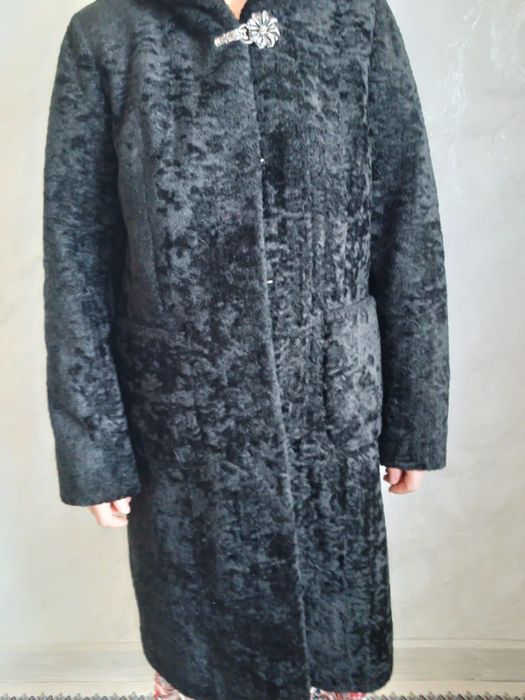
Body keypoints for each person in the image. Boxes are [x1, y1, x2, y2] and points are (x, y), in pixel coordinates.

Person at [42, 0, 450, 697]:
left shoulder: (353, 17)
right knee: (201, 661)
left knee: (331, 649)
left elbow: (406, 219)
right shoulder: (107, 34)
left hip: (326, 417)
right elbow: (77, 254)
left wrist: (414, 416)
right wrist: (95, 448)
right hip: (184, 426)